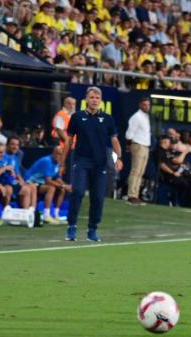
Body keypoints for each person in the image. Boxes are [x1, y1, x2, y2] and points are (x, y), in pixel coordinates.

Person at [65, 87, 123, 242]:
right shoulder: (77, 117)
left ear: (101, 100)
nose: (95, 100)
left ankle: (92, 229)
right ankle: (71, 227)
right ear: (86, 99)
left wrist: (119, 158)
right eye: (92, 97)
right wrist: (63, 161)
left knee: (97, 198)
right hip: (81, 161)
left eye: (97, 97)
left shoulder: (107, 118)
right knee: (77, 192)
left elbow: (114, 140)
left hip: (100, 164)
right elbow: (69, 140)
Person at [0, 141, 37, 210]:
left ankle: (26, 213)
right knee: (9, 189)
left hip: (8, 181)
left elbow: (13, 172)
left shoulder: (8, 158)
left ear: (4, 151)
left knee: (26, 190)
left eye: (1, 152)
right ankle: (4, 212)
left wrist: (15, 175)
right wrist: (4, 168)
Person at [25, 146, 70, 224]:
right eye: (58, 154)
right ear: (53, 153)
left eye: (61, 154)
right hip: (31, 182)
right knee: (51, 188)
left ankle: (56, 215)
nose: (59, 156)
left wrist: (66, 186)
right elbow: (48, 181)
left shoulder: (59, 163)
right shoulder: (47, 161)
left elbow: (58, 179)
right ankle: (46, 215)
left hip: (42, 183)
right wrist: (63, 186)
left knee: (62, 190)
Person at [154, 135, 191, 207]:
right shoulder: (159, 151)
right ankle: (176, 201)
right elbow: (162, 165)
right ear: (164, 141)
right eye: (169, 142)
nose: (170, 143)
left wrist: (178, 167)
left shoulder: (167, 152)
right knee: (183, 183)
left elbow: (171, 163)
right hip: (167, 176)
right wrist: (173, 172)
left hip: (174, 173)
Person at [125, 97, 151, 205]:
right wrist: (129, 144)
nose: (146, 107)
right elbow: (130, 132)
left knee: (140, 172)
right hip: (138, 145)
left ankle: (136, 195)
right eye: (144, 105)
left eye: (148, 105)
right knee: (135, 171)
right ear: (140, 105)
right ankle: (131, 195)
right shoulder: (136, 117)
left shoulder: (146, 117)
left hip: (145, 146)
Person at [51, 96, 76, 169]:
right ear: (65, 104)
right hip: (62, 146)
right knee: (62, 167)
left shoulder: (72, 116)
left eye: (73, 104)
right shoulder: (61, 114)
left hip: (71, 146)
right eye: (69, 104)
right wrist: (68, 141)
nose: (71, 106)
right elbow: (59, 129)